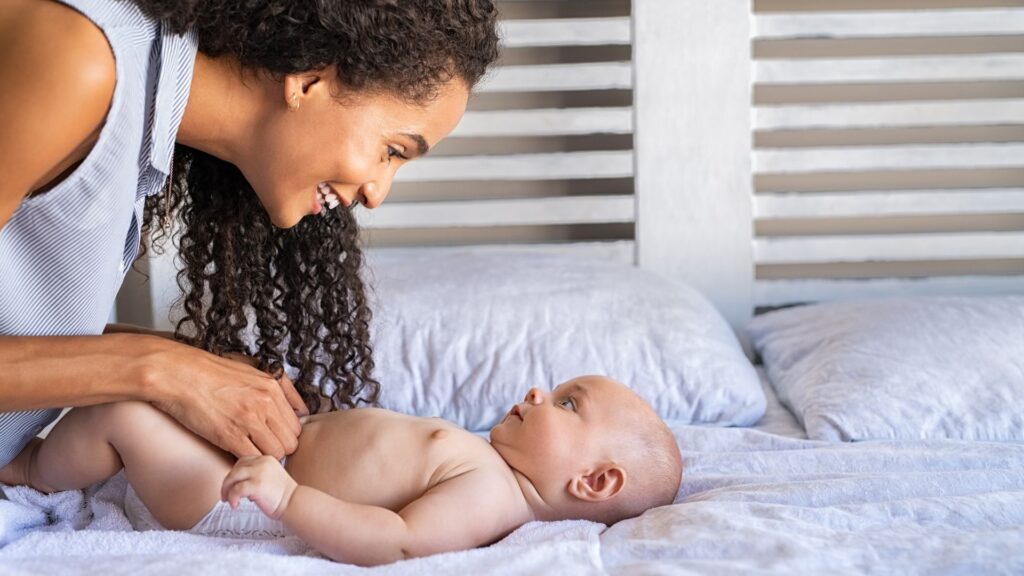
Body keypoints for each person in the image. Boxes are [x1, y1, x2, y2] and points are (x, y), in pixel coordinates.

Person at [0, 0, 499, 467]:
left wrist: (194, 366)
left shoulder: (139, 96)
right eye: (392, 150)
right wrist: (160, 371)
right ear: (308, 81)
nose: (376, 193)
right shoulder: (78, 60)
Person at [0, 375, 683, 566]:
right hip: (259, 467)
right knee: (175, 394)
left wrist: (288, 496)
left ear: (594, 483)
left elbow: (398, 540)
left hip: (233, 504)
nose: (538, 392)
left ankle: (24, 468)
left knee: (125, 408)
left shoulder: (491, 495)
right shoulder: (487, 459)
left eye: (567, 402)